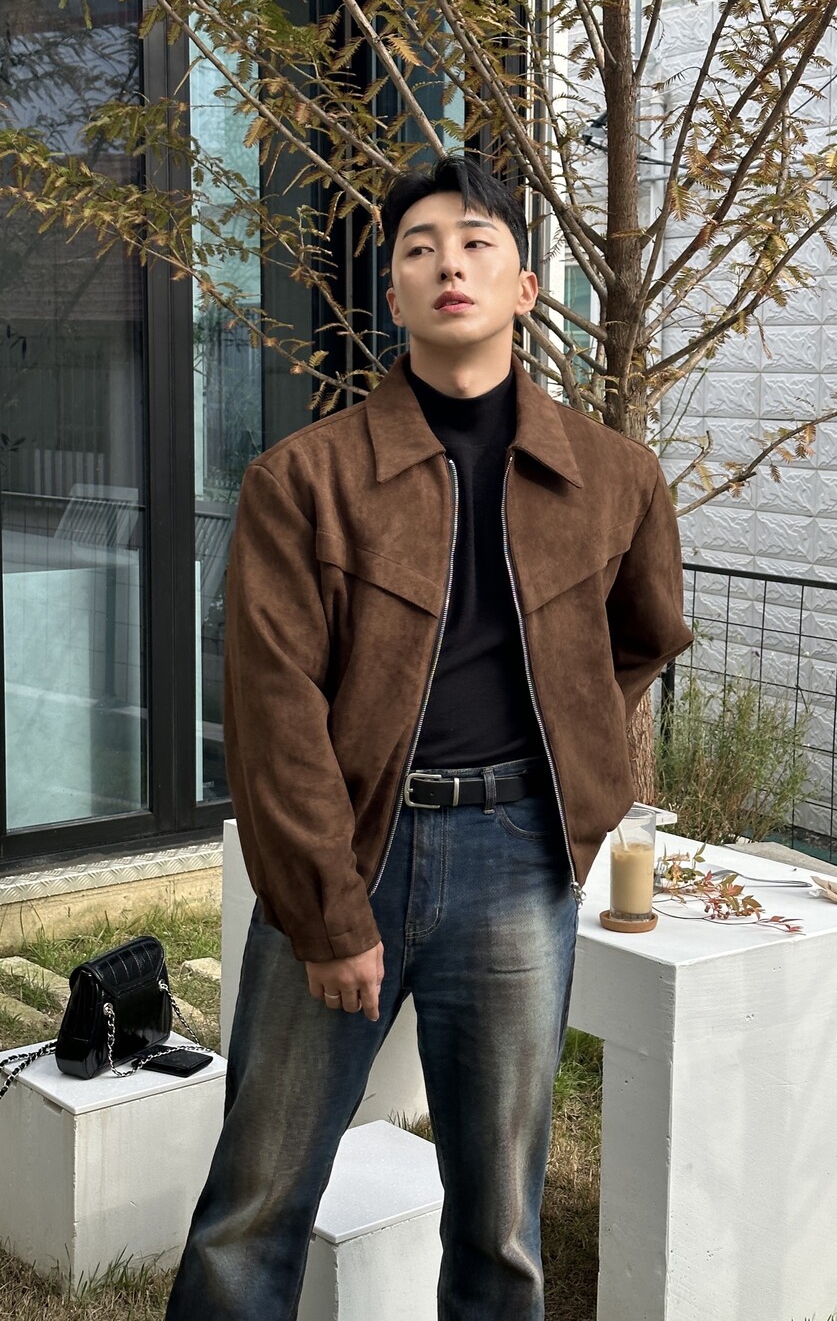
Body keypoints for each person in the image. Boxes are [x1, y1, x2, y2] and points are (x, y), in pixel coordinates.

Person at [165, 155, 693, 1320]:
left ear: (526, 288)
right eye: (418, 248)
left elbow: (644, 635)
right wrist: (327, 912)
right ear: (394, 294)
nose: (447, 262)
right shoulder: (304, 482)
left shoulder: (613, 478)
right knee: (254, 1205)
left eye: (475, 241)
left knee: (500, 1226)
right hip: (351, 850)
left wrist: (578, 767)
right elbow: (274, 715)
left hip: (516, 860)